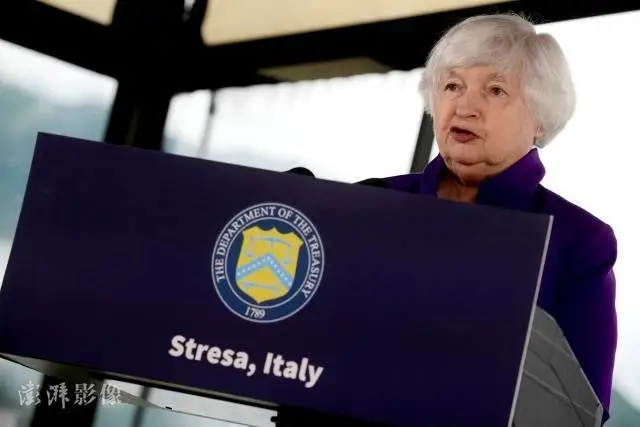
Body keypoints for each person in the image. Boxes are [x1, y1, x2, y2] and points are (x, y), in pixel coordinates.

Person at [380, 13, 618, 423]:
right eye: (452, 86)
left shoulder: (580, 241)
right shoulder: (376, 199)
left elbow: (580, 412)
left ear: (540, 118)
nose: (465, 107)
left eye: (495, 90)